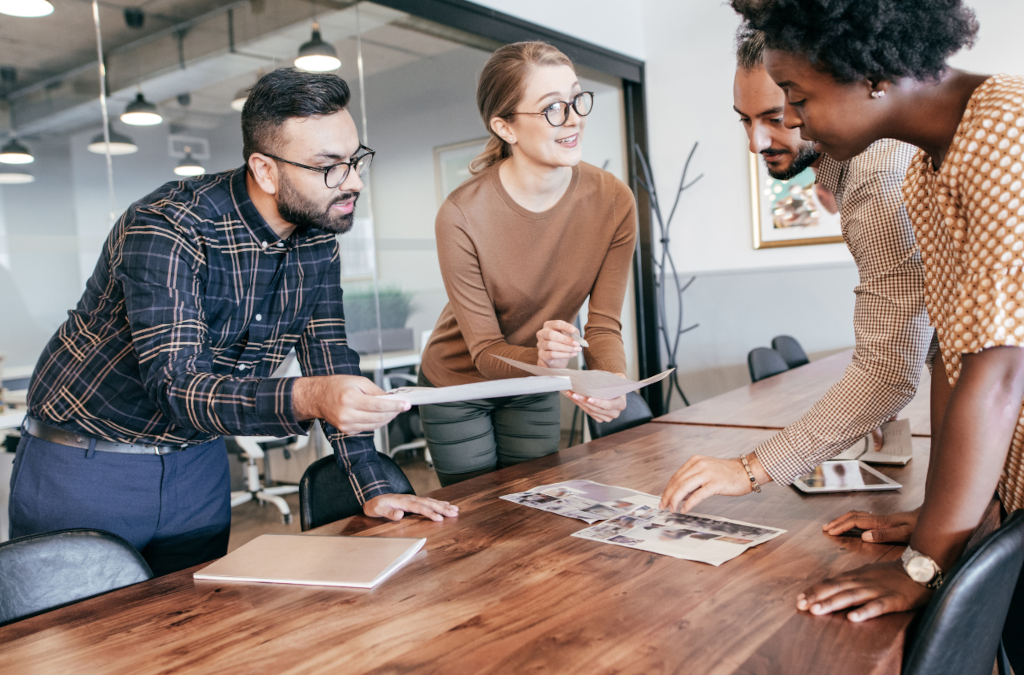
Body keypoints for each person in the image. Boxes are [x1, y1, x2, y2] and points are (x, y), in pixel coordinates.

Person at [9, 68, 457, 576]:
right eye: (328, 166)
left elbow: (330, 359)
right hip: (88, 463)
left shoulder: (316, 240)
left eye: (354, 160)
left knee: (192, 631)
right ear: (265, 170)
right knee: (75, 643)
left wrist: (372, 487)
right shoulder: (169, 225)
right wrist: (308, 397)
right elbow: (176, 386)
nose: (352, 181)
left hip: (198, 463)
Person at [732, 0, 1024, 641]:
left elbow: (1001, 376)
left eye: (796, 98)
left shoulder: (1007, 132)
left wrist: (923, 567)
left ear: (872, 74)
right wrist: (941, 521)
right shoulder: (927, 169)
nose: (795, 122)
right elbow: (954, 353)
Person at [660, 27, 931, 515]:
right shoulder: (867, 166)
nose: (756, 142)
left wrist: (749, 469)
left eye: (775, 116)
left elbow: (891, 370)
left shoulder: (878, 178)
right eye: (745, 121)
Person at [417, 42, 637, 486]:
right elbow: (484, 352)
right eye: (553, 108)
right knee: (478, 516)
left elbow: (602, 327)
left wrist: (610, 382)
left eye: (576, 99)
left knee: (535, 507)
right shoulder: (461, 215)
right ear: (506, 127)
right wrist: (550, 361)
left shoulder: (613, 200)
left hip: (539, 378)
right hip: (459, 383)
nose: (573, 118)